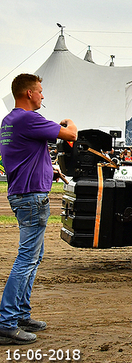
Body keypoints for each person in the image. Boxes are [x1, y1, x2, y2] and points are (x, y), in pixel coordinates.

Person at [0, 73, 78, 345]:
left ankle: (21, 315)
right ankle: (7, 321)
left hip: (22, 193)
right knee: (26, 260)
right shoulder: (29, 118)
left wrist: (48, 171)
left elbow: (25, 155)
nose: (43, 96)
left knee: (33, 257)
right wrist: (69, 122)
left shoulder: (9, 121)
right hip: (32, 198)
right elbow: (70, 135)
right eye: (40, 91)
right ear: (29, 93)